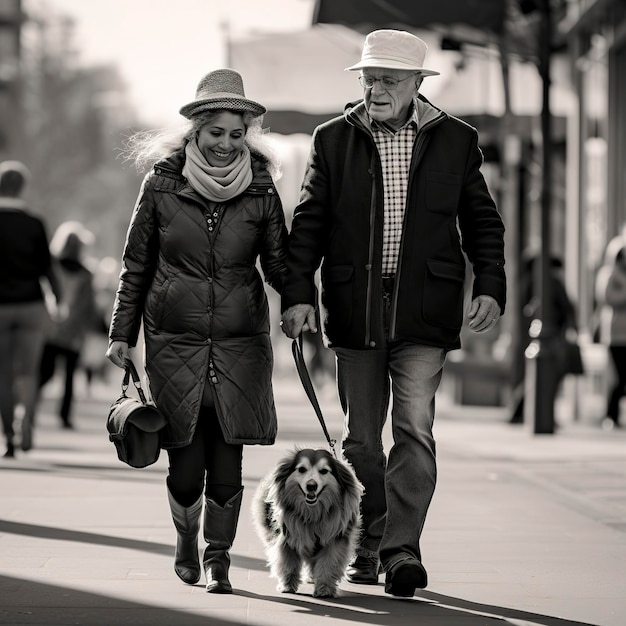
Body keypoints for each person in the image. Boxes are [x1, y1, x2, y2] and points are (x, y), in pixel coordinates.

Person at [280, 29, 506, 598]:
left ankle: (401, 549)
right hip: (355, 305)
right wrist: (297, 294)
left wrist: (492, 286)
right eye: (369, 78)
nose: (375, 89)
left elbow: (482, 221)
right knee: (359, 440)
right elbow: (307, 223)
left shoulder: (456, 140)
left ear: (415, 85)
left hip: (426, 308)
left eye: (388, 80)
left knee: (415, 430)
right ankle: (369, 537)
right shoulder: (334, 139)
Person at [106, 69, 287, 594]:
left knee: (229, 451)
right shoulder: (161, 182)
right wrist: (123, 331)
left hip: (241, 341)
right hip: (173, 341)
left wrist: (301, 301)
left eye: (237, 134)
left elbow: (279, 261)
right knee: (185, 458)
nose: (227, 144)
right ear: (195, 131)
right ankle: (186, 539)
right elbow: (136, 263)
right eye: (217, 133)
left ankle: (219, 557)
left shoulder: (259, 184)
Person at [0, 160, 61, 457]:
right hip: (31, 305)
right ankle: (27, 423)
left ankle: (8, 435)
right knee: (28, 371)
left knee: (2, 374)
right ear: (21, 188)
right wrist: (59, 300)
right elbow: (47, 269)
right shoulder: (34, 224)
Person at [38, 221, 99, 429]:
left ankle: (29, 406)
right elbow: (89, 306)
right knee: (70, 375)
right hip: (74, 332)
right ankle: (64, 416)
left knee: (44, 371)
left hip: (50, 329)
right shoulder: (86, 273)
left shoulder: (50, 266)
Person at [509, 253, 580, 424]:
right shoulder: (548, 282)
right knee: (546, 377)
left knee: (536, 377)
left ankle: (524, 412)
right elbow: (568, 308)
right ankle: (533, 413)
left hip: (539, 335)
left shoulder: (532, 281)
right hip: (550, 336)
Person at [602, 241, 626, 429]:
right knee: (620, 377)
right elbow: (608, 298)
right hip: (616, 335)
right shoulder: (610, 275)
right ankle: (610, 416)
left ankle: (613, 416)